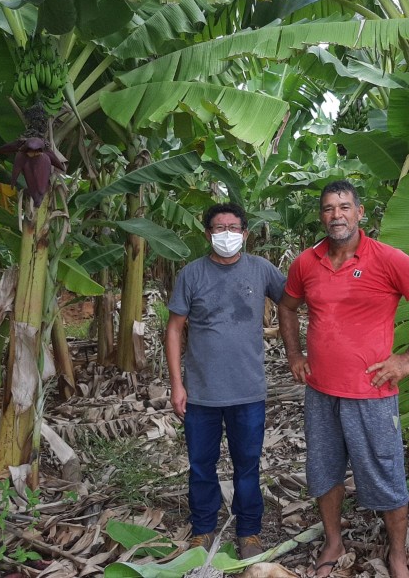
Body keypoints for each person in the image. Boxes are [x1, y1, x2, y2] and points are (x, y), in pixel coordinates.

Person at [278, 180, 409, 578]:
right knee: (323, 470)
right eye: (328, 208)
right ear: (321, 216)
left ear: (360, 213)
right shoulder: (307, 262)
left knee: (386, 473)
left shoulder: (388, 259)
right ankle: (333, 542)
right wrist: (294, 354)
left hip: (371, 392)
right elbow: (287, 307)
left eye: (344, 207)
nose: (335, 215)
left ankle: (397, 556)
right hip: (321, 391)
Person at [165, 202, 286, 559]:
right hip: (201, 392)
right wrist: (177, 384)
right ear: (208, 234)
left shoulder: (261, 269)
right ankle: (202, 529)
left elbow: (293, 300)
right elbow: (174, 330)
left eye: (234, 228)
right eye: (219, 228)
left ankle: (249, 531)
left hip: (247, 391)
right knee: (201, 465)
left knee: (247, 464)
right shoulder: (192, 274)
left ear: (245, 234)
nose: (227, 235)